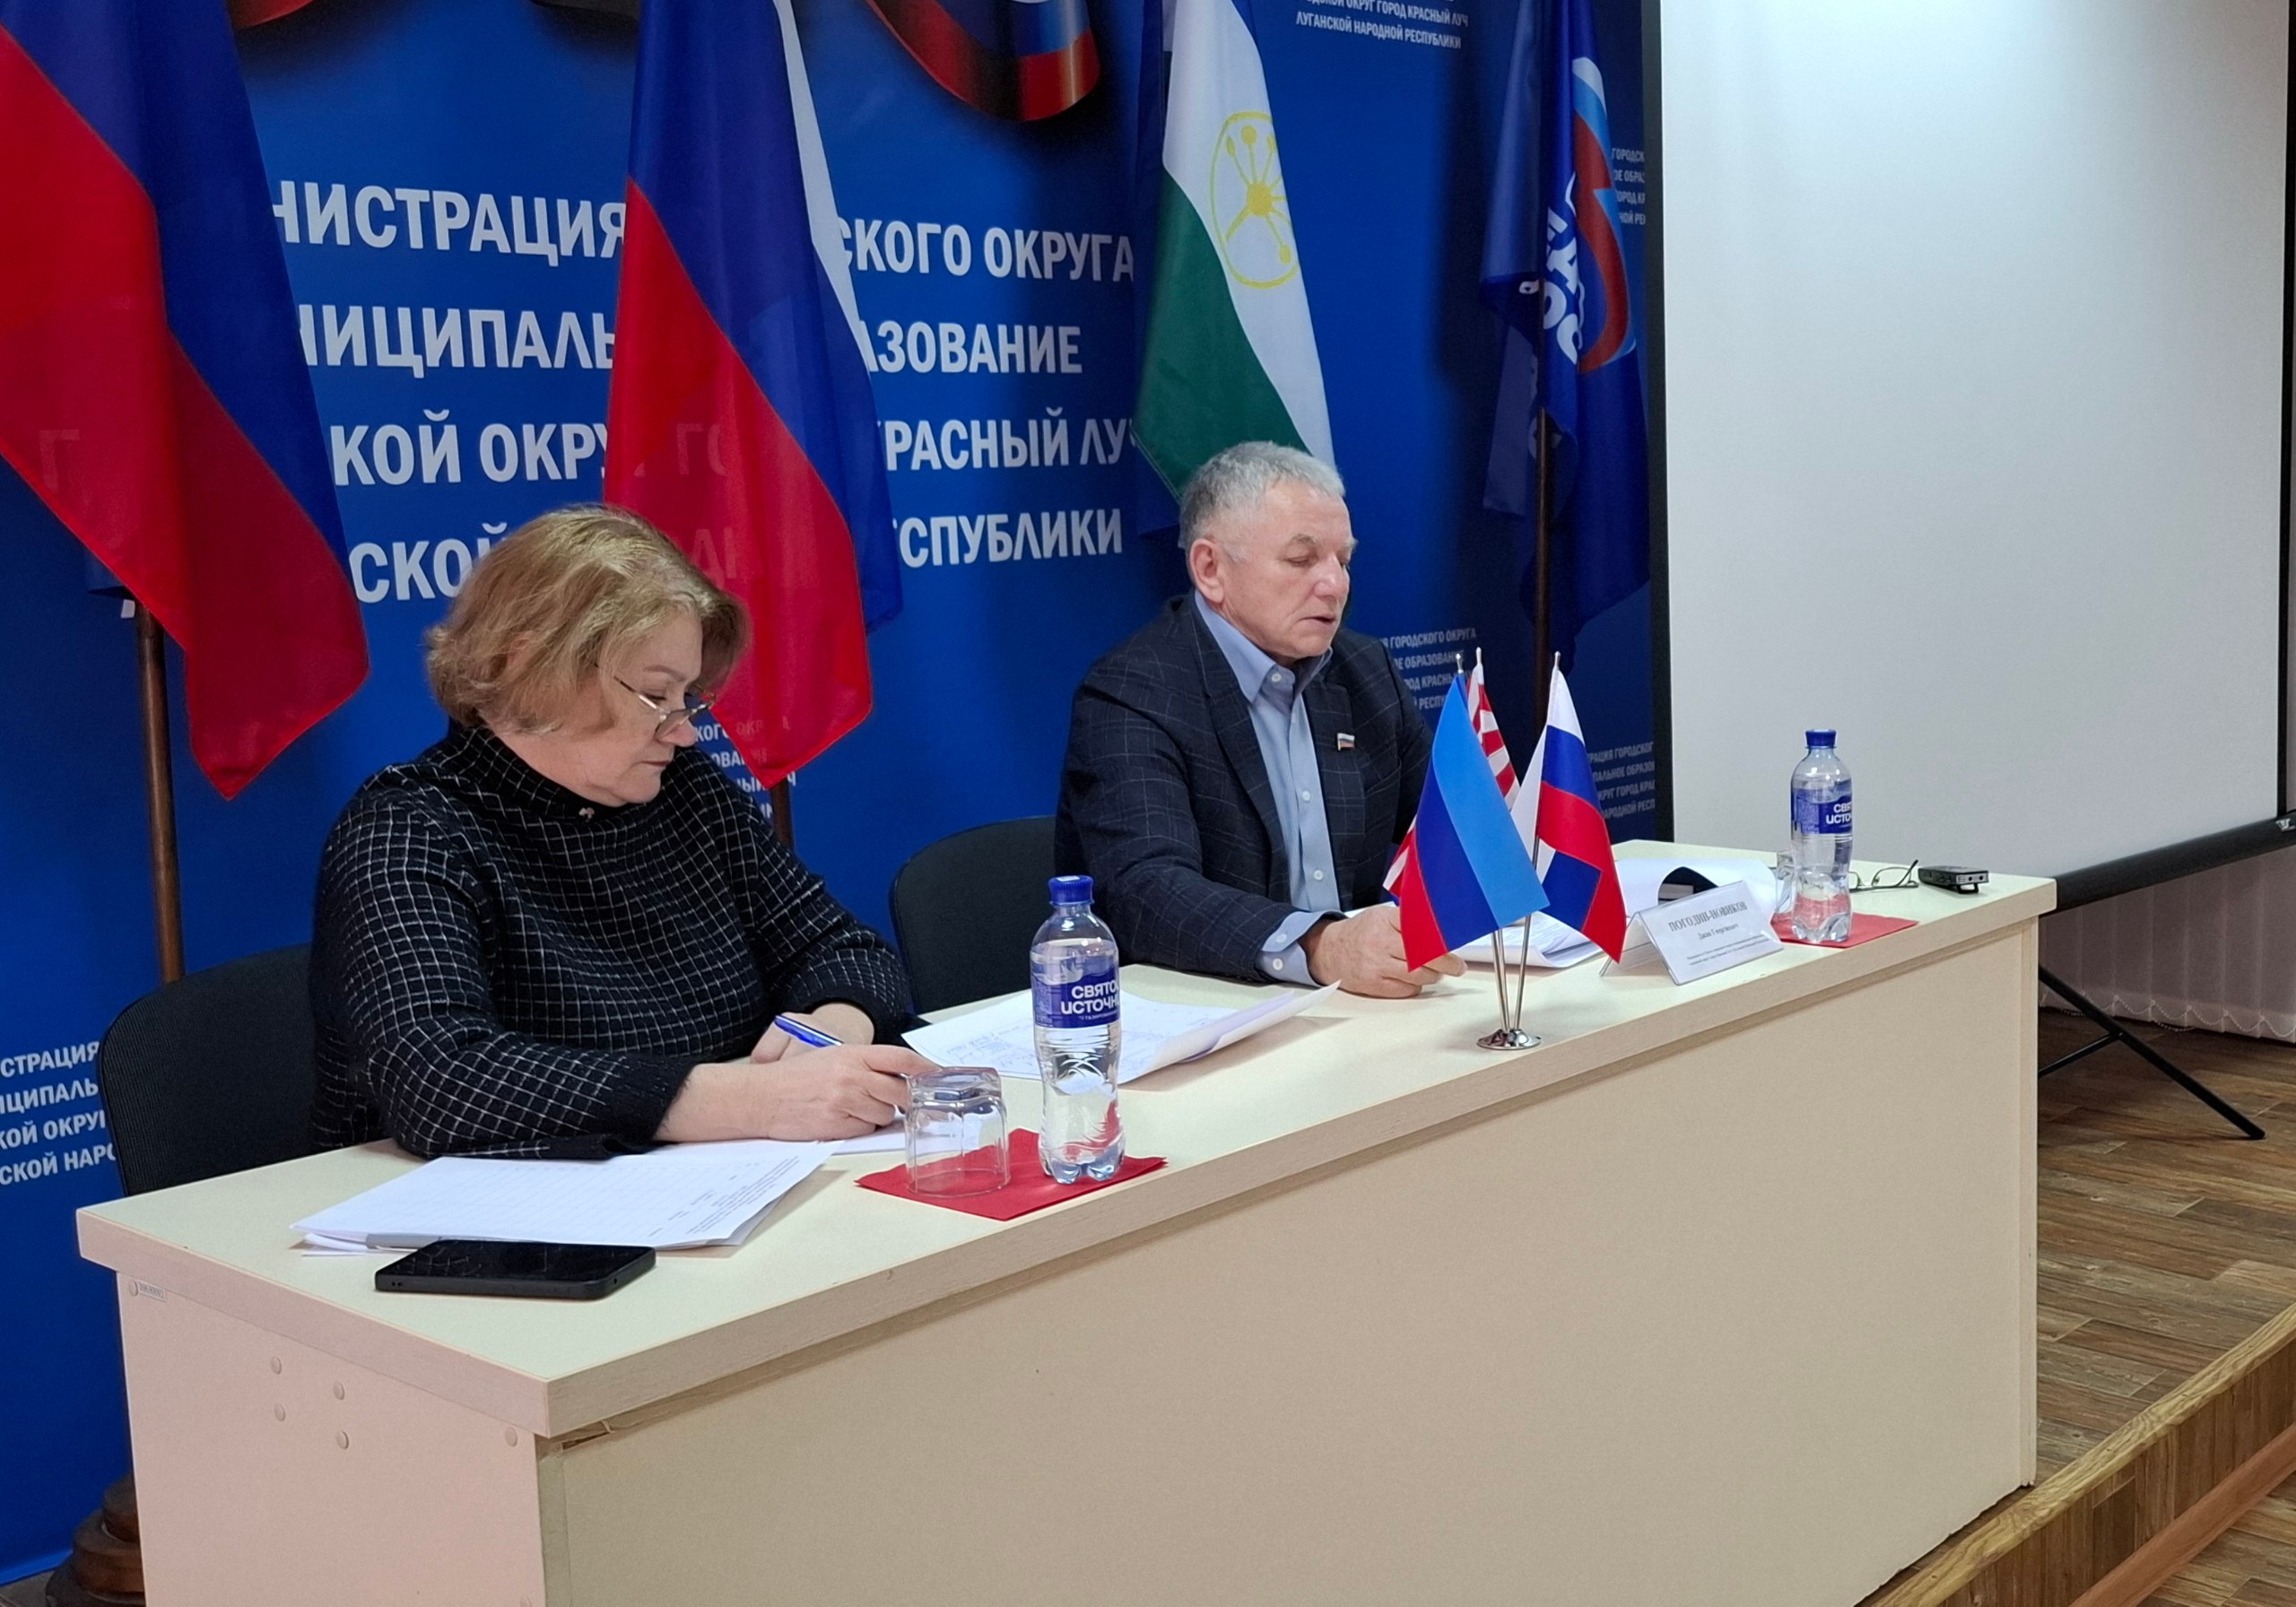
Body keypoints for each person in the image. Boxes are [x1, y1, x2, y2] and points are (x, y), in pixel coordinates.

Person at [310, 505, 930, 1160]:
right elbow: (440, 1080)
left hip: (727, 1172)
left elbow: (842, 946)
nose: (683, 731)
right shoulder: (407, 830)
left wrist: (830, 1030)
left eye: (687, 697)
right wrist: (755, 1100)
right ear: (530, 668)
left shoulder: (682, 787)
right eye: (657, 696)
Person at [1056, 442, 1465, 997]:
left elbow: (1453, 831)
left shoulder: (1364, 671)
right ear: (1211, 569)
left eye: (1344, 561)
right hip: (1214, 1007)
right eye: (1301, 560)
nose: (1335, 585)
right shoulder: (1134, 692)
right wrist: (1319, 945)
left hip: (1360, 1006)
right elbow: (1145, 890)